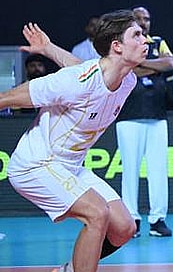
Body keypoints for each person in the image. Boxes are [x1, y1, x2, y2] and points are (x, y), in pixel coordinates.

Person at [4, 15, 147, 272]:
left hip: (71, 167)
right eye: (136, 35)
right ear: (117, 46)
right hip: (35, 165)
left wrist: (48, 48)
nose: (145, 40)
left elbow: (85, 71)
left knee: (124, 228)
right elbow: (8, 97)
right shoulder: (73, 82)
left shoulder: (127, 81)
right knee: (97, 213)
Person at [114, 6, 173, 239]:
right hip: (129, 114)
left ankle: (158, 219)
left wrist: (141, 65)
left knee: (158, 168)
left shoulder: (158, 42)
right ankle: (132, 220)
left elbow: (169, 64)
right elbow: (123, 71)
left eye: (146, 19)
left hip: (157, 114)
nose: (143, 22)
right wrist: (152, 67)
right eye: (138, 18)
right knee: (130, 169)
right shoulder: (121, 44)